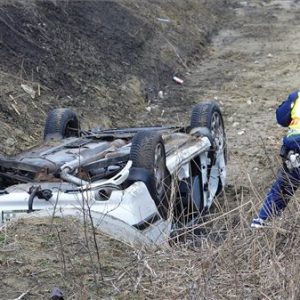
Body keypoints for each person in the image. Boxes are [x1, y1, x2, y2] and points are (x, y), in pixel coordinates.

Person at [251, 90, 300, 228]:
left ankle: (262, 222)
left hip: (295, 149)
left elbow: (281, 118)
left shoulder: (297, 96)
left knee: (283, 188)